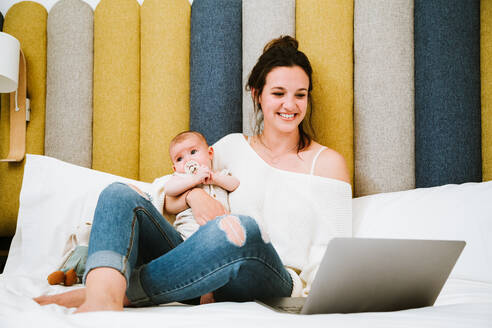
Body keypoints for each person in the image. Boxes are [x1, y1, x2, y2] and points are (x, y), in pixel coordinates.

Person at [34, 35, 352, 313]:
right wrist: (194, 194)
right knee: (118, 193)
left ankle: (120, 293)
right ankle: (103, 297)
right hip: (200, 269)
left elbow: (332, 251)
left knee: (238, 229)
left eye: (301, 95)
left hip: (271, 278)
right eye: (278, 93)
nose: (290, 105)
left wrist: (312, 300)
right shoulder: (229, 147)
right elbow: (163, 189)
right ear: (257, 94)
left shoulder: (326, 163)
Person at [158, 130, 239, 237]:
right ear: (175, 168)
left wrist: (214, 178)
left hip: (221, 232)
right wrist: (194, 180)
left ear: (210, 153)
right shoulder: (181, 178)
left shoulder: (218, 175)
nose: (188, 160)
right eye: (179, 159)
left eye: (193, 152)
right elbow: (169, 189)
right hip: (187, 233)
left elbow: (234, 184)